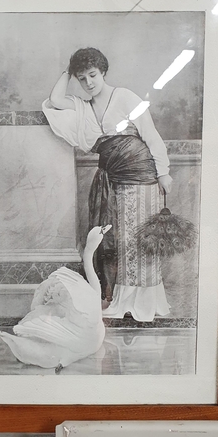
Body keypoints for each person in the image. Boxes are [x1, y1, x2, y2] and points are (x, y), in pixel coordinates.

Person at [42, 47, 173, 322]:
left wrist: (164, 172)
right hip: (114, 177)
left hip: (143, 172)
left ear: (103, 72)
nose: (88, 83)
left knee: (142, 239)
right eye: (81, 78)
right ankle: (122, 301)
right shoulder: (82, 107)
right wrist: (68, 69)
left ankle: (145, 304)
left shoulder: (124, 97)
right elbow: (55, 100)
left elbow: (150, 135)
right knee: (122, 239)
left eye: (92, 75)